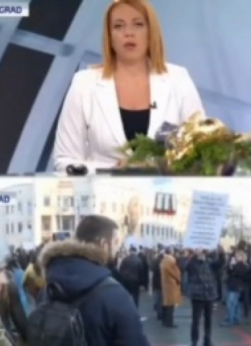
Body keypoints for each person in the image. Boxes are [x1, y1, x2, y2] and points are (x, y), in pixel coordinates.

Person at [52, 0, 205, 173]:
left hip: (165, 195)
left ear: (151, 32)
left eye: (138, 24)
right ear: (110, 37)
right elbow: (64, 161)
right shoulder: (84, 83)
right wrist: (116, 170)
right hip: (103, 195)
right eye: (118, 26)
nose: (129, 33)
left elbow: (202, 153)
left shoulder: (178, 79)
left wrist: (155, 168)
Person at [29, 215, 149, 345]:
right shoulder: (117, 296)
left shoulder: (49, 289)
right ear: (104, 244)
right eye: (115, 242)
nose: (118, 248)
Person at [185, 249, 219, 346]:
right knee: (196, 320)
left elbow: (220, 263)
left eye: (203, 252)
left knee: (208, 319)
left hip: (210, 295)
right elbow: (187, 267)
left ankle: (207, 340)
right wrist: (194, 257)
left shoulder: (211, 262)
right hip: (197, 296)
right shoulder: (193, 263)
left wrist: (219, 251)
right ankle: (194, 341)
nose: (201, 254)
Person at [222, 250, 249, 326]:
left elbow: (239, 273)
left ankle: (231, 319)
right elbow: (229, 272)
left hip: (237, 286)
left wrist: (234, 266)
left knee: (231, 303)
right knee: (235, 304)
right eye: (236, 256)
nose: (236, 258)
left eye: (238, 256)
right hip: (232, 285)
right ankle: (236, 318)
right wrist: (230, 265)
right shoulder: (235, 265)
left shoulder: (243, 265)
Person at [160, 248, 182, 329]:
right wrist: (179, 278)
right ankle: (169, 322)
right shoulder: (170, 261)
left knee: (166, 304)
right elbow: (175, 273)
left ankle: (165, 321)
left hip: (166, 284)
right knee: (170, 305)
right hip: (171, 285)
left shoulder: (164, 261)